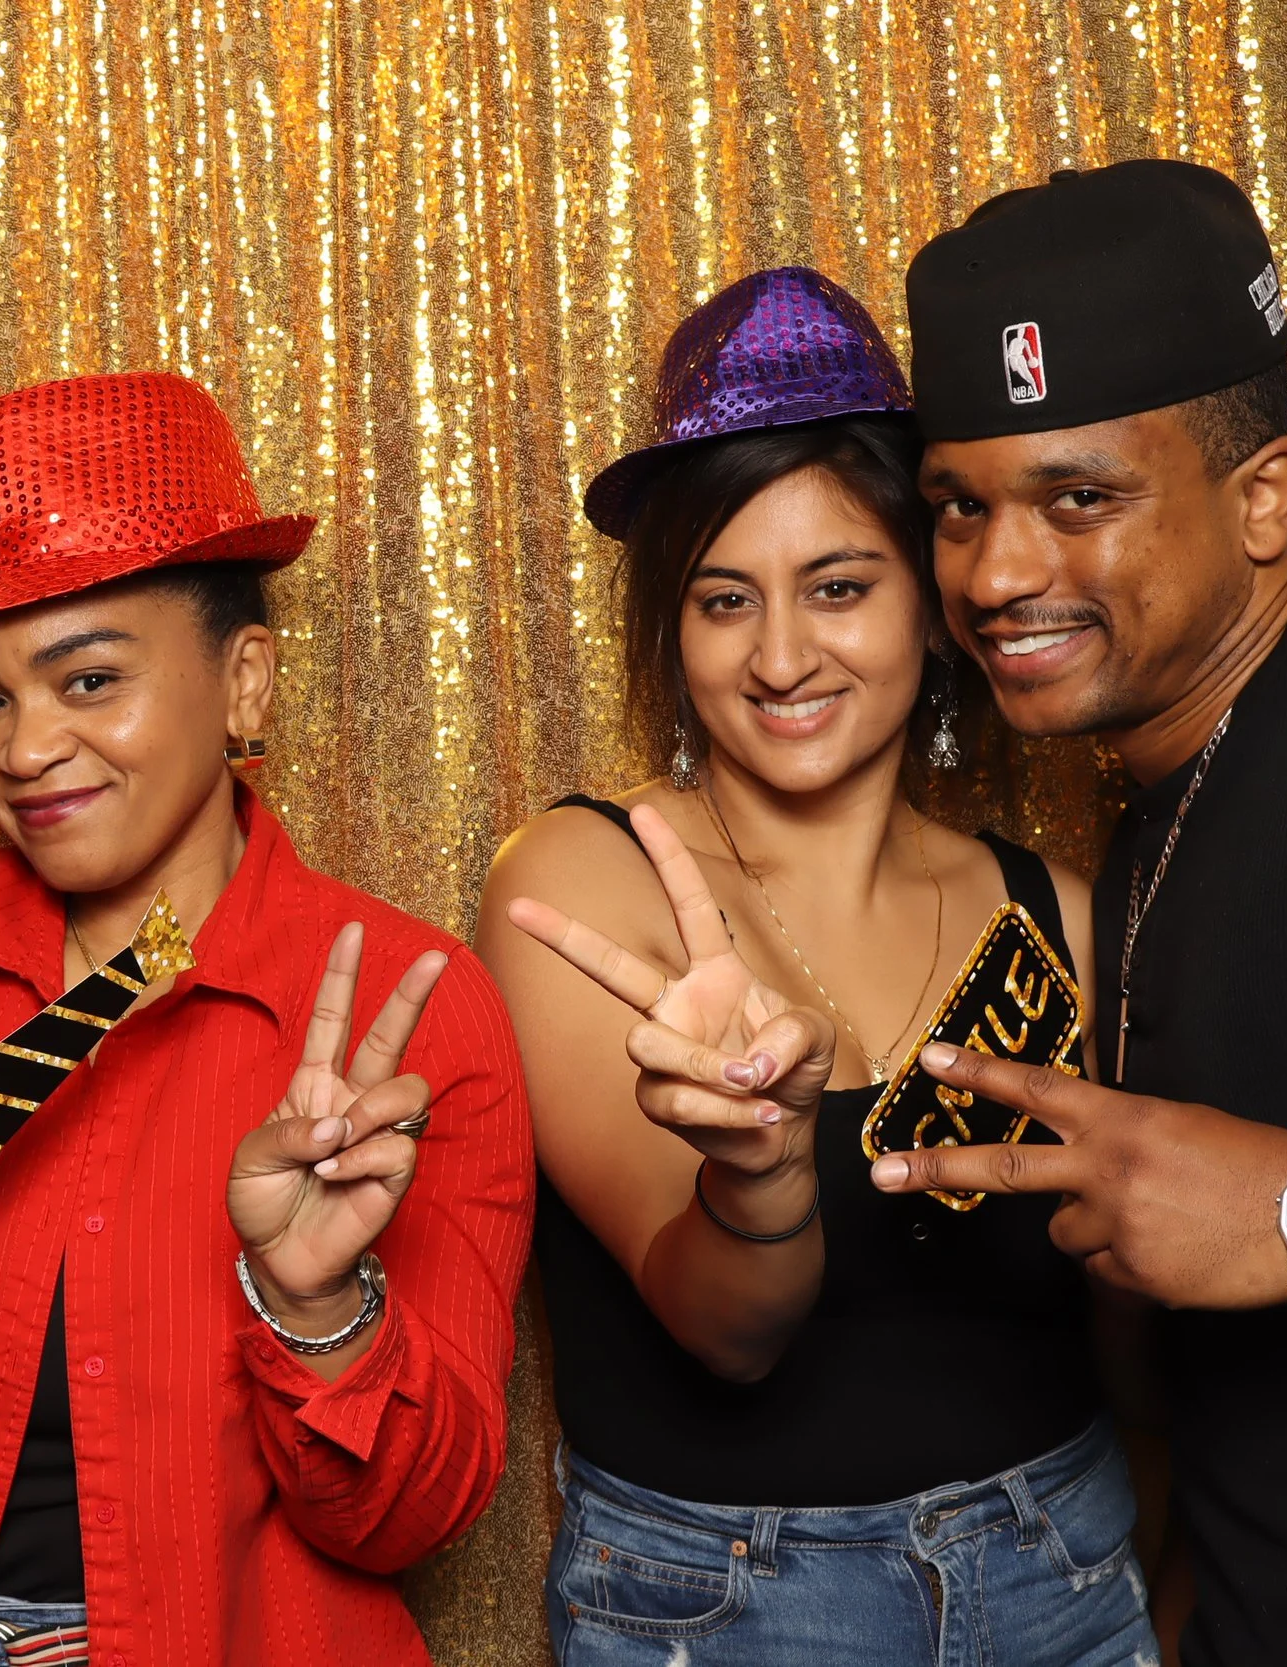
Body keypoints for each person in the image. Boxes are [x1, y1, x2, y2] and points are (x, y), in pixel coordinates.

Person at [0, 370, 533, 1667]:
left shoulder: (402, 1012)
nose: (22, 750)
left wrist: (318, 1305)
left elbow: (413, 1515)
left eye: (87, 680)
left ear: (244, 681)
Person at [476, 267, 1157, 1665]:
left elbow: (1140, 1338)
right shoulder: (583, 884)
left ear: (932, 600)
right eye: (725, 601)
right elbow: (722, 1329)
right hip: (724, 1606)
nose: (781, 655)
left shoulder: (1063, 917)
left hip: (1065, 1574)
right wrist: (761, 1173)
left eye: (838, 587)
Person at [870, 159, 1287, 1666]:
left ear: (1263, 495)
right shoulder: (1168, 801)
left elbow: (1265, 1214)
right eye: (958, 505)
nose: (998, 572)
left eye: (1079, 498)